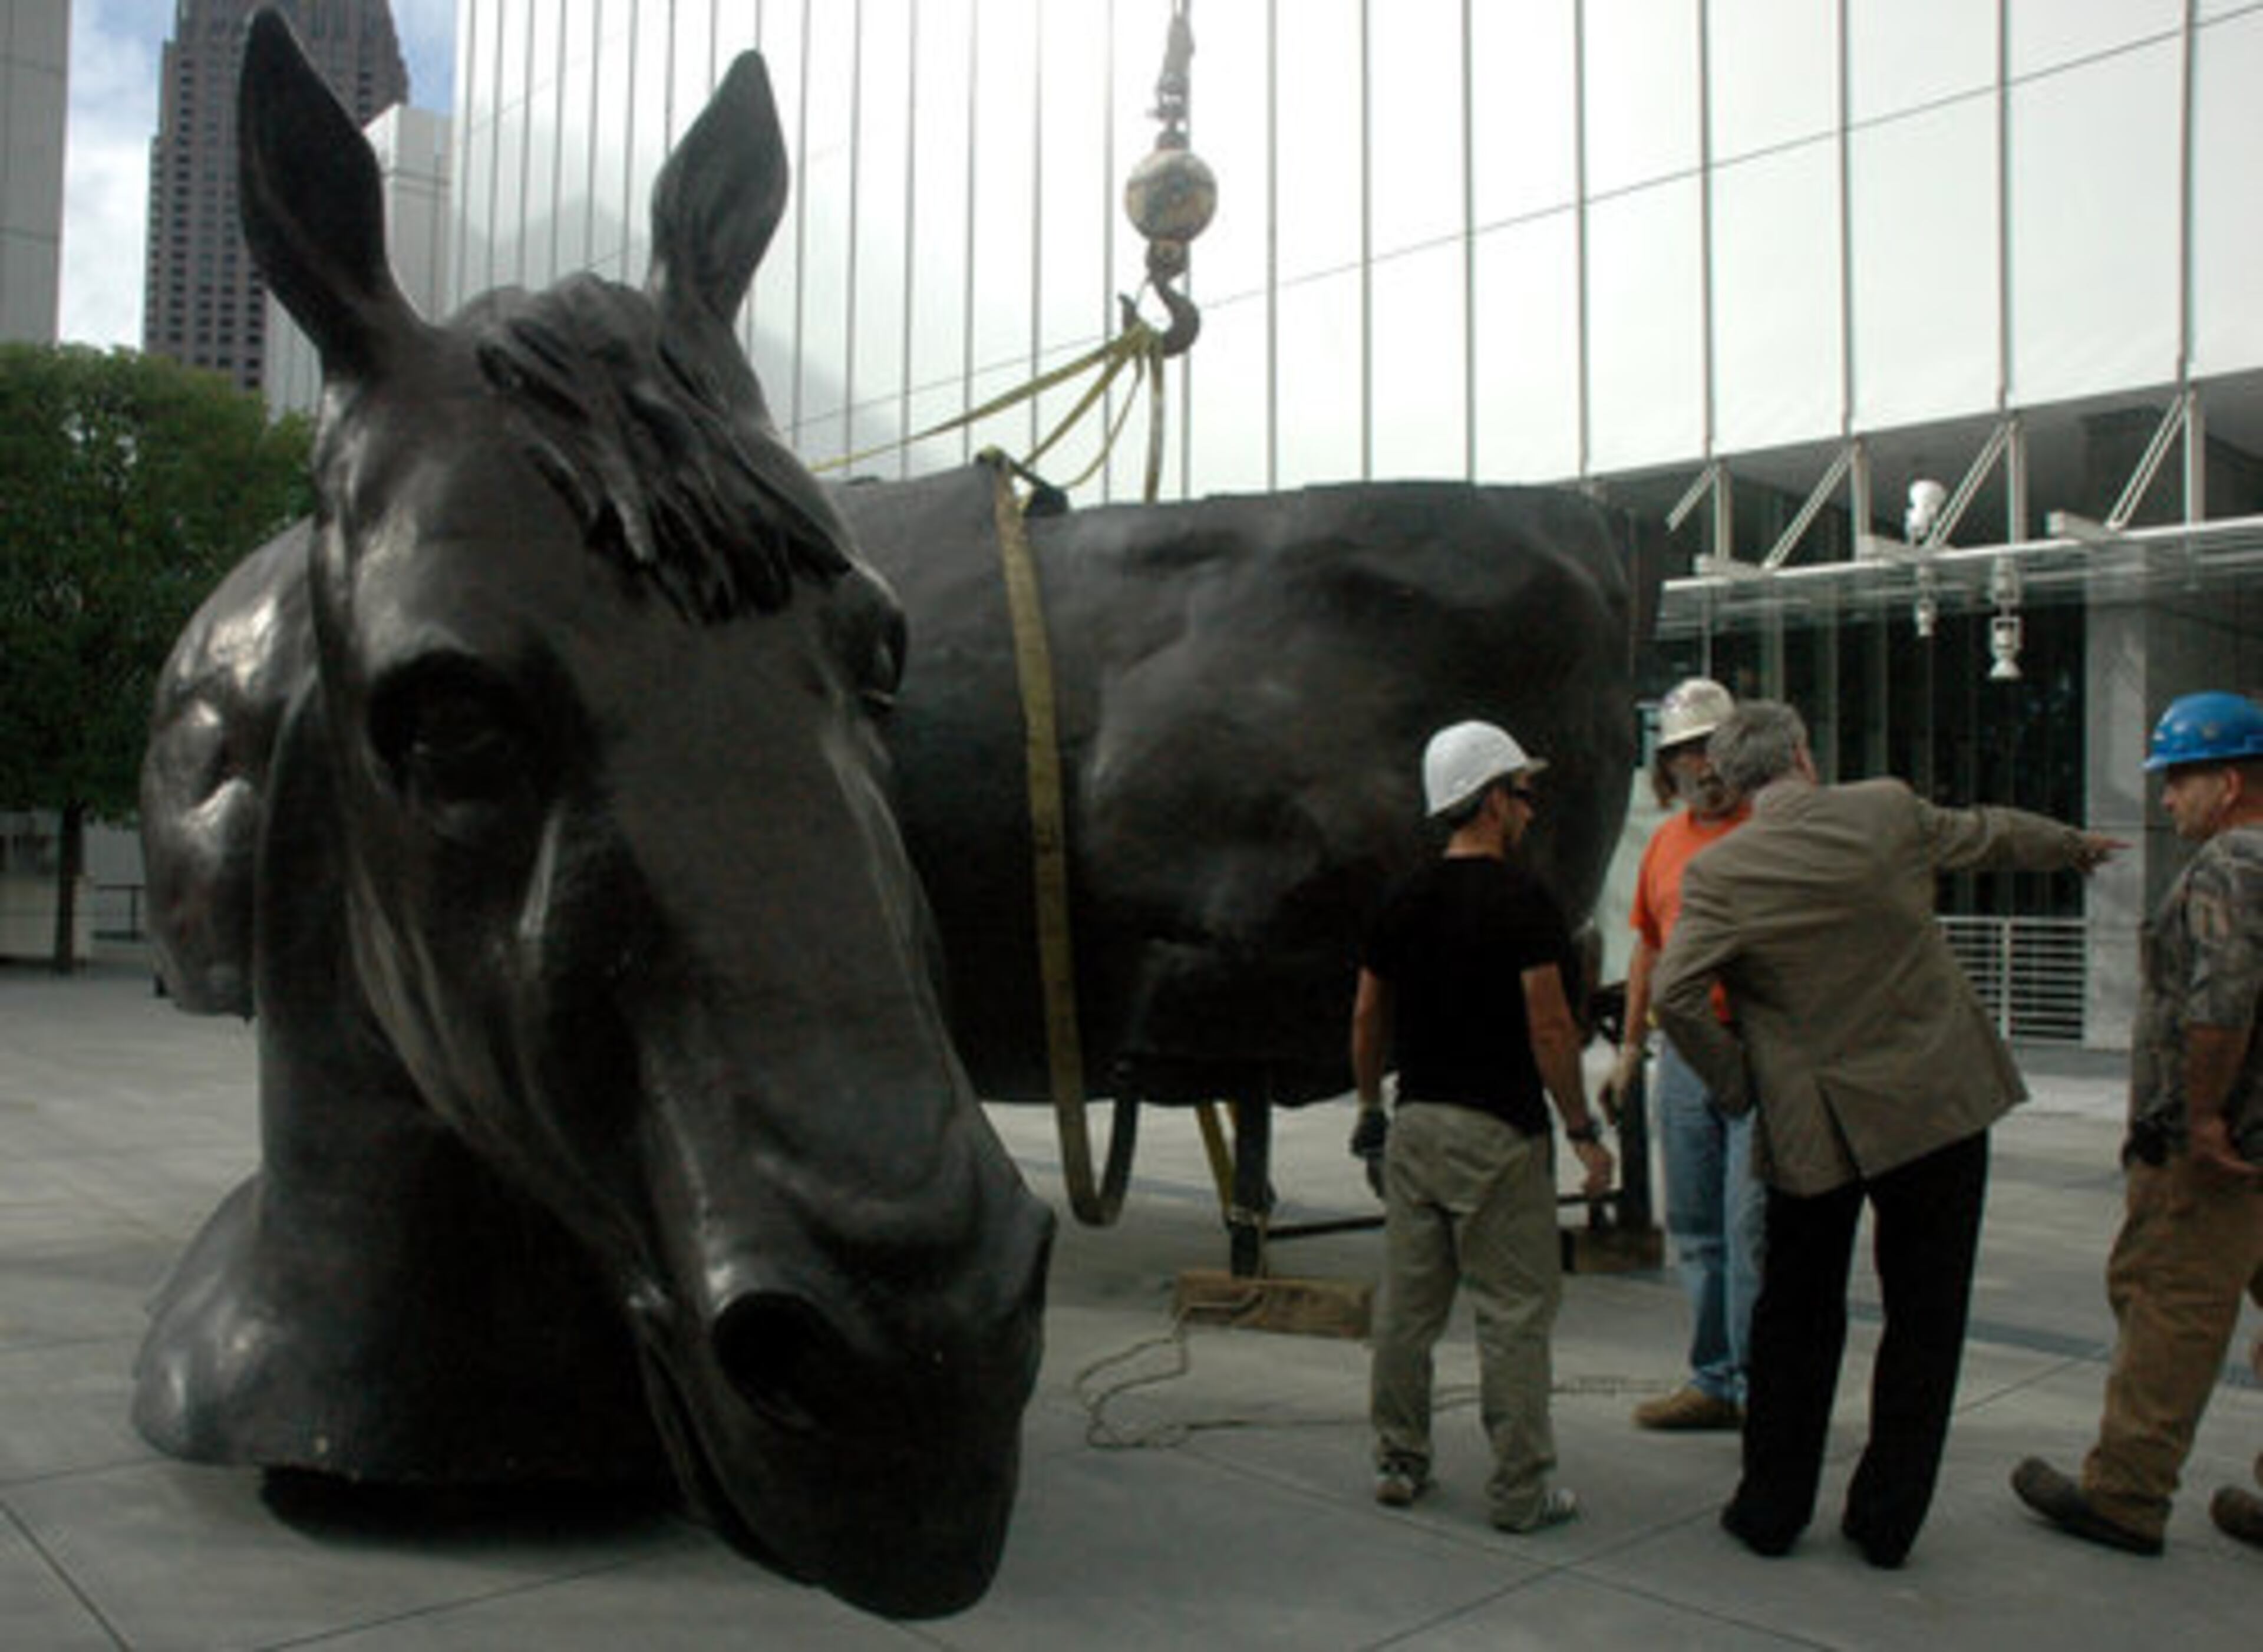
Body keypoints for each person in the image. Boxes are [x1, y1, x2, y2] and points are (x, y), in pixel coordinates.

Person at [1652, 701, 2119, 1568]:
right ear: (1803, 754)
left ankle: (1771, 1508)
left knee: (1795, 1317)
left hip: (1811, 1125)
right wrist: (2072, 843)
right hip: (1938, 1103)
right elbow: (1987, 834)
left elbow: (1674, 996)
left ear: (1733, 777)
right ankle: (1886, 1520)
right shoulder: (1886, 809)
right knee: (1925, 1317)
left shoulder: (1723, 871)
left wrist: (1741, 1079)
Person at [2011, 690, 2263, 1555]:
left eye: (2177, 780)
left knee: (2170, 1304)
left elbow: (2223, 1000)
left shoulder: (2233, 862)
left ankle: (2126, 1491)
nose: (2165, 800)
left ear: (2227, 781)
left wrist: (2201, 1120)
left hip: (2222, 1154)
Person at [1350, 720, 1615, 1533]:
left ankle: (1399, 1459)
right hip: (1498, 1132)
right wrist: (1580, 1127)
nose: (1531, 810)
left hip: (1418, 1126)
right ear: (1492, 800)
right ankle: (1520, 1490)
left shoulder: (1401, 897)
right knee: (1512, 1315)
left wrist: (1370, 1111)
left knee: (1406, 1311)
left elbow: (1367, 1016)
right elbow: (1550, 1028)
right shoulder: (1526, 901)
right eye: (1523, 793)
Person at [1602, 677, 1762, 1431]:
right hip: (1686, 1058)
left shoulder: (1773, 833)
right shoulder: (1666, 844)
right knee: (1697, 1229)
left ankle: (1762, 1385)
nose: (1700, 766)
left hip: (1760, 1055)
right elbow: (1647, 949)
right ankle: (1715, 1380)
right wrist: (1631, 1048)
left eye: (1711, 748)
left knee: (1750, 1227)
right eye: (1683, 753)